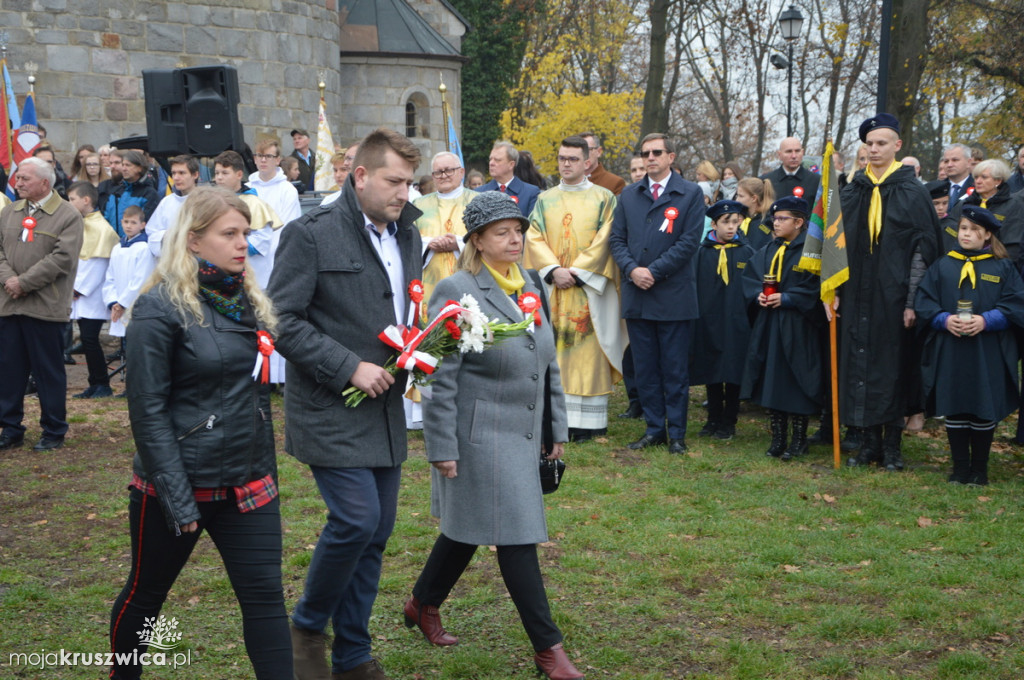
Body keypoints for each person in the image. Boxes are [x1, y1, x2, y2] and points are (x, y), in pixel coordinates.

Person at [108, 187, 291, 679]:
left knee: (266, 601)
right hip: (177, 485)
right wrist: (177, 497)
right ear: (192, 240)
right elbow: (146, 410)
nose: (241, 244)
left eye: (246, 234)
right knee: (146, 594)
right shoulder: (158, 308)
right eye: (229, 234)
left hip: (247, 485)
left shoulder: (246, 298)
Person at [405, 190, 585, 680]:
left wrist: (556, 429)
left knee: (469, 528)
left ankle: (422, 604)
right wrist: (440, 446)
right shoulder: (457, 289)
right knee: (516, 536)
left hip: (524, 432)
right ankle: (549, 649)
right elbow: (440, 376)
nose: (515, 239)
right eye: (502, 232)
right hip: (478, 433)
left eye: (519, 231)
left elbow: (546, 361)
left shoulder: (530, 283)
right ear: (478, 240)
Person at [269, 128, 423, 680]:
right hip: (330, 406)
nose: (404, 193)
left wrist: (425, 347)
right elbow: (280, 319)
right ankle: (308, 625)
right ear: (360, 176)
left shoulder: (409, 235)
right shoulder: (310, 234)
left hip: (385, 410)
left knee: (377, 531)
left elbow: (404, 310)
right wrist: (345, 365)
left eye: (410, 182)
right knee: (356, 520)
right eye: (393, 181)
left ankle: (352, 655)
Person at [838, 113, 940, 471]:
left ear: (897, 146)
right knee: (859, 363)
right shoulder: (852, 189)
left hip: (894, 297)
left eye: (882, 143)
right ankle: (868, 444)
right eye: (870, 144)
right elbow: (836, 245)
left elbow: (923, 249)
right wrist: (831, 290)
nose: (875, 149)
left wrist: (913, 299)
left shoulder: (912, 191)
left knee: (892, 365)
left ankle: (893, 447)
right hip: (854, 295)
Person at [609, 133, 705, 454]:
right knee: (646, 368)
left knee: (674, 369)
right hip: (638, 295)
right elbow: (617, 241)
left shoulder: (690, 194)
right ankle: (654, 429)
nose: (650, 158)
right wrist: (633, 270)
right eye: (645, 153)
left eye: (657, 152)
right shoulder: (629, 195)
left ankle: (676, 432)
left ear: (671, 157)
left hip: (673, 296)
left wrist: (654, 271)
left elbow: (689, 242)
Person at [915, 206, 1024, 485]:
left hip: (986, 349)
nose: (967, 234)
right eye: (963, 228)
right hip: (951, 348)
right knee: (955, 403)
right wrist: (943, 319)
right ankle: (960, 468)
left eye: (974, 230)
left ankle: (980, 469)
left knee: (982, 403)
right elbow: (925, 302)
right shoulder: (943, 265)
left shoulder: (1002, 266)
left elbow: (1015, 303)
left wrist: (987, 320)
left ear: (987, 235)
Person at [524, 135, 623, 442]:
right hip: (554, 288)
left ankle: (590, 424)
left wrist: (578, 272)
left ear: (587, 162)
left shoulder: (604, 198)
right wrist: (554, 270)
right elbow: (533, 236)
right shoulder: (545, 199)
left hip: (588, 289)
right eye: (562, 158)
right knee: (556, 350)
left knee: (588, 351)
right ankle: (557, 420)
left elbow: (607, 237)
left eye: (572, 159)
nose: (566, 164)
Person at [0, 157, 84, 451]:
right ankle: (10, 428)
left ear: (44, 183)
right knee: (9, 371)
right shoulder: (10, 212)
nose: (17, 183)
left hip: (45, 308)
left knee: (48, 372)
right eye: (17, 178)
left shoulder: (67, 215)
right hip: (9, 306)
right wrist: (10, 279)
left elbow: (62, 259)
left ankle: (53, 430)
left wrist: (24, 283)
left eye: (24, 179)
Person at [742, 196, 824, 460]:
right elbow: (751, 277)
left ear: (799, 222)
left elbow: (815, 287)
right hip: (770, 324)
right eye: (775, 219)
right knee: (772, 378)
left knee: (795, 380)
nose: (775, 223)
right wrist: (758, 295)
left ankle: (799, 439)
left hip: (798, 326)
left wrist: (788, 298)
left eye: (782, 219)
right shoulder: (769, 249)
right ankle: (778, 438)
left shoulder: (809, 252)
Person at [690, 200, 754, 440]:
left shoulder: (746, 252)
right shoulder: (701, 253)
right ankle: (712, 418)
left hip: (737, 322)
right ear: (714, 224)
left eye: (735, 222)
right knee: (712, 368)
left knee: (733, 370)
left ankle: (729, 421)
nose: (731, 227)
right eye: (725, 222)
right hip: (709, 320)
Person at [67, 181, 119, 399]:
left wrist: (78, 288)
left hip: (92, 295)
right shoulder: (81, 223)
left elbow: (98, 266)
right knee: (87, 342)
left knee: (90, 340)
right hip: (79, 294)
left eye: (72, 200)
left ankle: (102, 384)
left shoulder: (102, 228)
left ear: (86, 200)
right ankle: (94, 383)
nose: (69, 204)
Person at [213, 150, 283, 289]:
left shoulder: (254, 204)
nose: (219, 178)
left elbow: (261, 241)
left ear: (239, 174)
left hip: (253, 279)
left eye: (225, 173)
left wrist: (228, 244)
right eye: (217, 173)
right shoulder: (213, 203)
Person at [414, 151, 475, 311]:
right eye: (438, 172)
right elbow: (407, 238)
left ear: (461, 172)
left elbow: (487, 238)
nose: (443, 175)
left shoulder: (478, 201)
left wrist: (459, 243)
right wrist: (428, 244)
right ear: (433, 176)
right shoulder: (419, 205)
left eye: (449, 170)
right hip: (428, 280)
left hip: (469, 277)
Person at [949, 158, 1024, 262]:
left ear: (998, 181)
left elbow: (1013, 244)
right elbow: (950, 235)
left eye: (984, 177)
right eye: (976, 177)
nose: (978, 181)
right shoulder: (964, 204)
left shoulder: (1013, 206)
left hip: (997, 265)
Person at [146, 154, 201, 259]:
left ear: (195, 175)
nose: (176, 178)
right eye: (174, 173)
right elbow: (152, 234)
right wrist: (169, 236)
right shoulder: (166, 202)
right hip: (171, 262)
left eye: (182, 173)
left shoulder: (206, 201)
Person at [103, 149, 160, 236]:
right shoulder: (115, 192)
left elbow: (148, 225)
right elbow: (106, 219)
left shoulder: (149, 194)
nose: (124, 169)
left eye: (128, 165)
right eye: (123, 165)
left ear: (139, 168)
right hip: (115, 245)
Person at [478, 141, 540, 217]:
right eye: (490, 159)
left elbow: (532, 226)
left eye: (497, 160)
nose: (491, 163)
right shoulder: (479, 193)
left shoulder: (530, 193)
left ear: (511, 165)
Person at [249, 139, 302, 224]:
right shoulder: (247, 188)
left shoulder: (288, 190)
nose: (263, 160)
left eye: (269, 156)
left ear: (277, 160)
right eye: (259, 155)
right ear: (255, 159)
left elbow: (288, 227)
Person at [760, 137, 820, 202]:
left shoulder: (817, 181)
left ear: (802, 153)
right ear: (779, 155)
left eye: (797, 151)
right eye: (789, 151)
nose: (794, 156)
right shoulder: (765, 181)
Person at [734, 177, 775, 251]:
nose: (737, 200)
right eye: (737, 195)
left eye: (741, 196)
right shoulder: (747, 218)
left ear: (754, 198)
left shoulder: (764, 223)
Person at [580, 131, 625, 195]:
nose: (583, 154)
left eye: (587, 149)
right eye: (579, 150)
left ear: (599, 152)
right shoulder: (569, 184)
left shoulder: (614, 183)